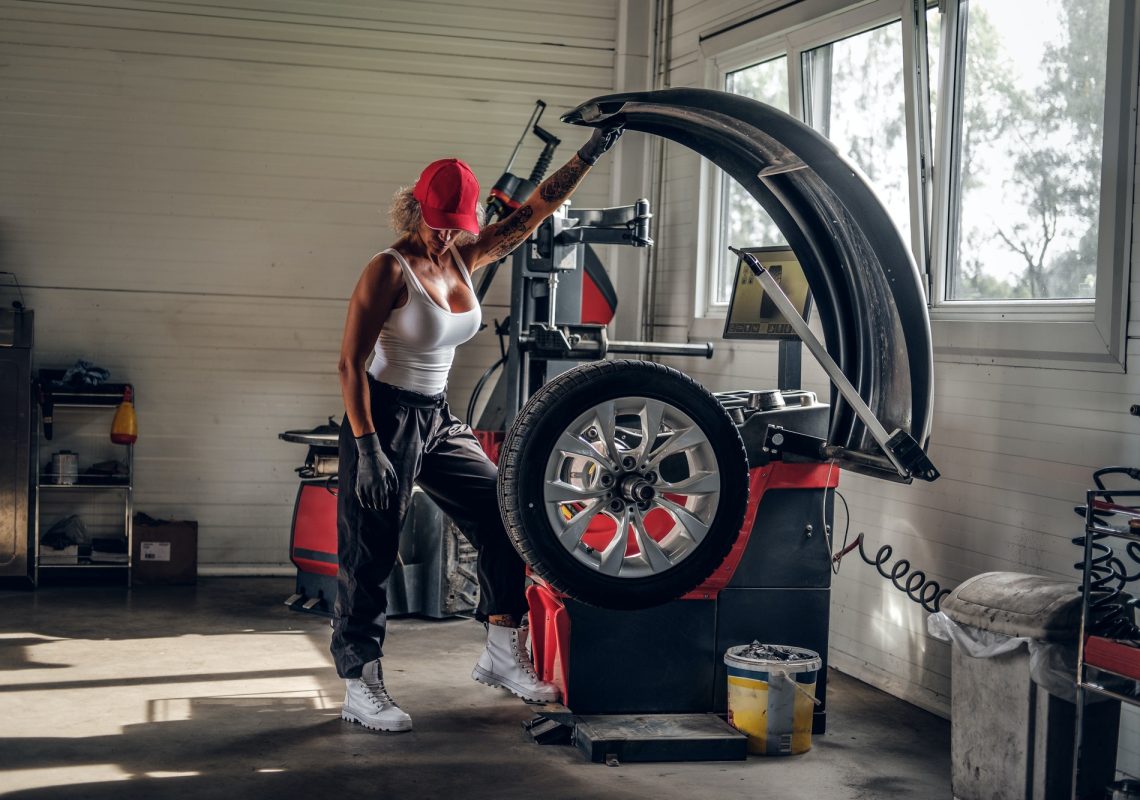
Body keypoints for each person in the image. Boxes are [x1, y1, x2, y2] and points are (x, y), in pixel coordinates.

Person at [333, 125, 624, 732]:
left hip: (437, 417)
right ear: (414, 207)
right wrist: (367, 446)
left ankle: (500, 652)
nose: (444, 234)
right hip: (382, 417)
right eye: (436, 222)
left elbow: (534, 212)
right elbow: (349, 364)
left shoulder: (465, 258)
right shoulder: (388, 269)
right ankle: (360, 682)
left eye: (453, 225)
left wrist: (591, 151)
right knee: (371, 552)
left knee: (503, 514)